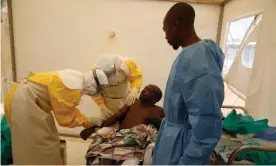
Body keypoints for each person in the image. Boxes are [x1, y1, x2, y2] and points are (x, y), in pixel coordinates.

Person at [152, 3, 225, 165]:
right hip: (172, 143)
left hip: (181, 150)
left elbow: (206, 127)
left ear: (175, 23)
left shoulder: (198, 62)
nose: (165, 36)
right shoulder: (189, 56)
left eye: (165, 30)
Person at [4, 69, 108, 165]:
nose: (96, 93)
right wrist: (88, 121)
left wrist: (88, 120)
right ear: (94, 86)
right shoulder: (72, 87)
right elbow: (65, 119)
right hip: (24, 102)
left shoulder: (76, 77)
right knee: (39, 146)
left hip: (24, 98)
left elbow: (67, 107)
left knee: (44, 141)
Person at [80, 84, 165, 165]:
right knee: (96, 149)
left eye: (149, 90)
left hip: (135, 144)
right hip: (119, 138)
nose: (143, 91)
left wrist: (157, 120)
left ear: (154, 99)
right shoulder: (133, 102)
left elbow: (163, 129)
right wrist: (93, 129)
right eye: (145, 88)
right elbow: (115, 117)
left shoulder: (158, 110)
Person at [91, 54, 143, 120]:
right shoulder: (93, 73)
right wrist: (102, 106)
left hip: (126, 100)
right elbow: (94, 91)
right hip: (108, 102)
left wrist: (134, 91)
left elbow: (136, 77)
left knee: (126, 123)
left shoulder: (127, 63)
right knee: (108, 124)